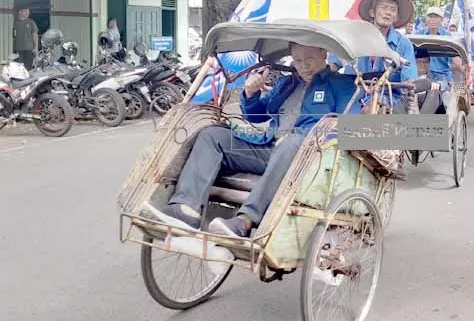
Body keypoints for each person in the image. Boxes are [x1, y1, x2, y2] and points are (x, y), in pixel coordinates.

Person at [144, 42, 360, 238]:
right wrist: (251, 92)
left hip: (309, 157)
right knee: (213, 135)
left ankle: (245, 220)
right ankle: (185, 209)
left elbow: (349, 128)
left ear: (324, 53)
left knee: (291, 142)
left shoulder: (342, 85)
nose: (304, 67)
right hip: (268, 149)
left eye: (309, 60)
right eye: (298, 61)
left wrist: (306, 137)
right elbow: (257, 116)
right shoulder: (287, 84)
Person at [328, 0, 417, 113]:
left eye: (393, 10)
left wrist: (411, 91)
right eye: (384, 7)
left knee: (375, 111)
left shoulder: (404, 45)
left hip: (387, 98)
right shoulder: (352, 37)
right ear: (372, 12)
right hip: (351, 95)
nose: (388, 13)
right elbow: (332, 65)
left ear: (396, 17)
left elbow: (409, 79)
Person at [414, 47, 464, 114]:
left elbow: (446, 84)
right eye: (419, 62)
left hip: (432, 105)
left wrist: (439, 85)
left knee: (435, 92)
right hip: (412, 102)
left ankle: (421, 120)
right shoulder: (409, 76)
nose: (423, 65)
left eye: (426, 62)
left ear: (429, 64)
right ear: (415, 63)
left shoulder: (436, 76)